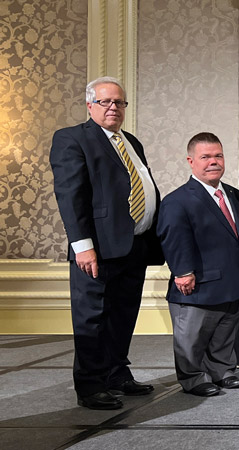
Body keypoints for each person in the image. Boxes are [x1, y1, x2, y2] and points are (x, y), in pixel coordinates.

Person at [50, 76, 164, 410]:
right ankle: (90, 385)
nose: (113, 107)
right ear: (89, 105)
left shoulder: (130, 141)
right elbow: (71, 195)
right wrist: (82, 245)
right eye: (105, 102)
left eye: (119, 102)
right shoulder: (72, 138)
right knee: (92, 317)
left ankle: (116, 373)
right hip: (97, 248)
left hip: (135, 245)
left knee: (123, 314)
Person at [157, 133, 239, 397]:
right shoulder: (178, 200)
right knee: (191, 337)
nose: (213, 162)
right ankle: (193, 378)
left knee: (224, 335)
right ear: (191, 161)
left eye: (218, 156)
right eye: (205, 157)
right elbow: (174, 238)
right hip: (196, 284)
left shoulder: (233, 194)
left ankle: (222, 371)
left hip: (230, 281)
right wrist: (183, 272)